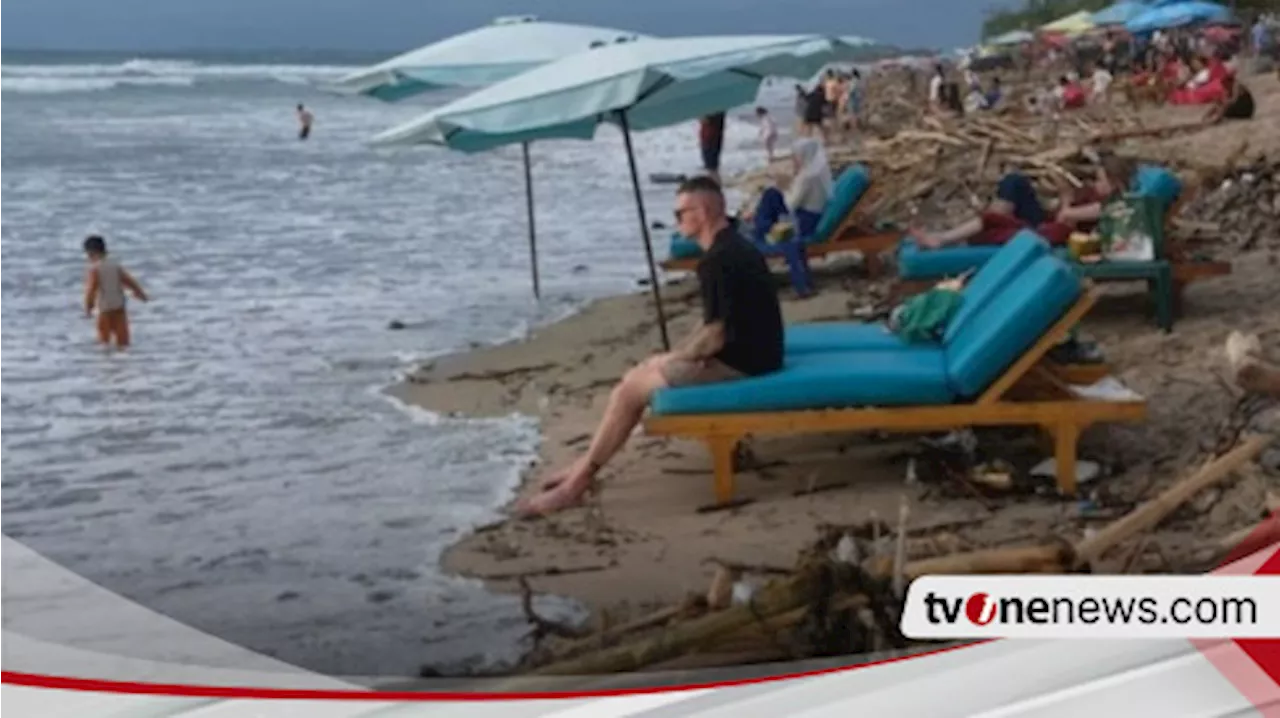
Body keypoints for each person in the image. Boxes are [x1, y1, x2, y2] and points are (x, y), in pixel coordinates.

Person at [519, 176, 783, 516]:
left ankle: (578, 483)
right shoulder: (731, 245)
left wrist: (681, 358)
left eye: (680, 213)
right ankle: (583, 465)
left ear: (702, 211)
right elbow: (715, 327)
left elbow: (715, 335)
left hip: (745, 364)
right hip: (755, 353)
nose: (677, 221)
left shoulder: (718, 260)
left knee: (629, 392)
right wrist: (673, 357)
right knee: (641, 372)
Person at [910, 154, 1140, 250]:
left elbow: (1066, 217)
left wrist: (1067, 199)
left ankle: (942, 239)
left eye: (1100, 180)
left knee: (992, 220)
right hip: (1050, 225)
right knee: (1015, 182)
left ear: (1115, 183)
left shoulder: (1109, 205)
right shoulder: (1107, 201)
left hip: (1051, 234)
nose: (1096, 184)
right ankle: (994, 217)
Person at [82, 235, 148, 349]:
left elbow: (91, 290)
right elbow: (129, 282)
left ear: (91, 252)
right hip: (119, 308)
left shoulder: (95, 269)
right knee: (123, 343)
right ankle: (123, 361)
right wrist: (141, 294)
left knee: (104, 343)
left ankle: (109, 364)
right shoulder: (115, 266)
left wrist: (89, 307)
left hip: (105, 310)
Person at [698, 112, 727, 183]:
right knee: (712, 169)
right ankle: (716, 187)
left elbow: (705, 120)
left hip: (710, 141)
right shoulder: (718, 110)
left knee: (711, 169)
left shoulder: (714, 112)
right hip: (712, 141)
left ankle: (716, 187)